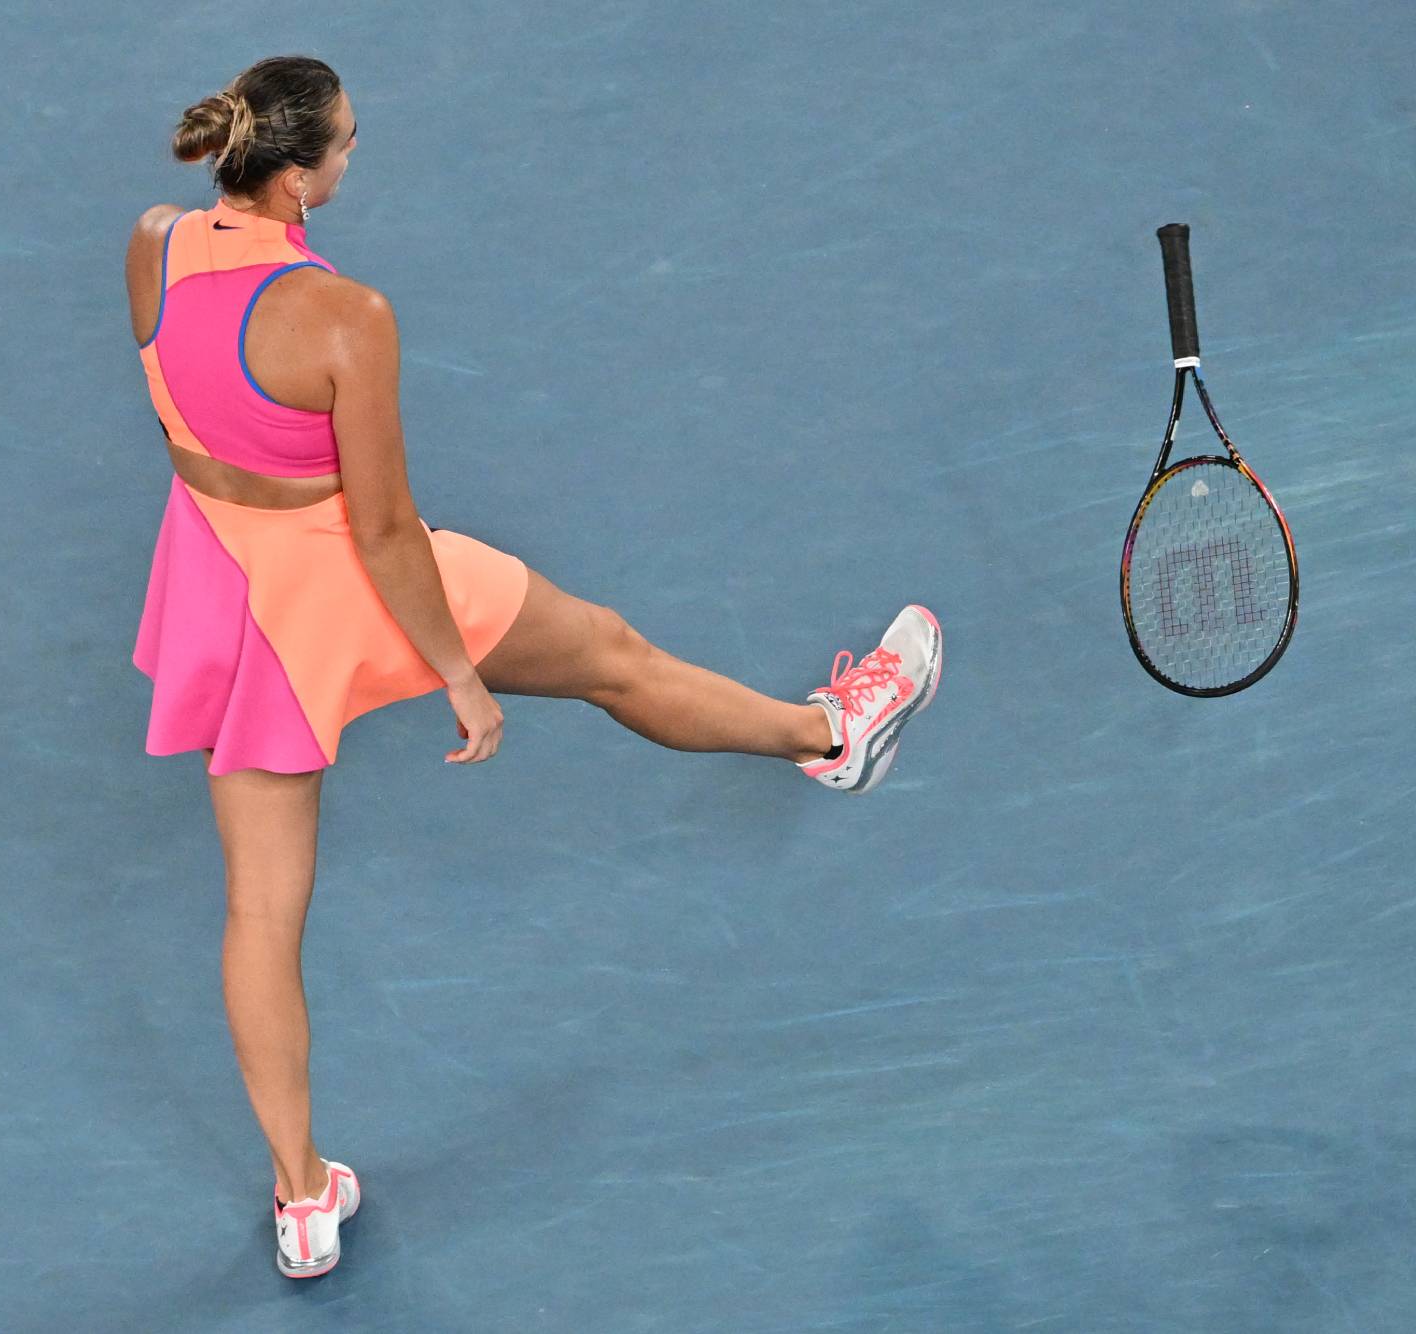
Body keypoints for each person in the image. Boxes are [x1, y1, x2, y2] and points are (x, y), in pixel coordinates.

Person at [123, 54, 943, 1279]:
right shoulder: (347, 318)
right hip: (340, 579)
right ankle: (832, 735)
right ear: (298, 181)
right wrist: (458, 673)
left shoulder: (153, 241)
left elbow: (180, 409)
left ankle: (301, 1198)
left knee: (258, 907)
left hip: (220, 581)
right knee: (610, 654)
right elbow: (388, 533)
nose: (356, 157)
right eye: (345, 146)